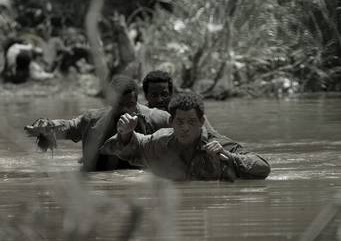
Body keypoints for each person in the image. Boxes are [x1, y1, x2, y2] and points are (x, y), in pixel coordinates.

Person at [100, 92, 271, 181]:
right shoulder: (160, 141)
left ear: (202, 121)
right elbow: (130, 147)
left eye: (191, 122)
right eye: (180, 122)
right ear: (171, 121)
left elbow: (263, 167)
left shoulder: (217, 144)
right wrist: (125, 133)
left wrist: (231, 158)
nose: (185, 128)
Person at [24, 75, 170, 172]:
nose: (125, 110)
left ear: (136, 100)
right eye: (119, 104)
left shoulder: (159, 119)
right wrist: (46, 127)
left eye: (130, 105)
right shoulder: (92, 120)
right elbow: (68, 126)